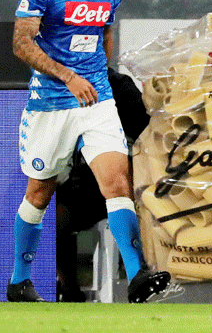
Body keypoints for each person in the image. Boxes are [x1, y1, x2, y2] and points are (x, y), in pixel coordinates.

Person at [7, 0, 170, 303]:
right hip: (51, 103)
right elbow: (21, 43)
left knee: (117, 183)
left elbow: (104, 34)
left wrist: (100, 74)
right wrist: (68, 75)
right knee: (39, 193)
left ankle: (136, 276)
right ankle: (19, 280)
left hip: (95, 101)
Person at [56, 68, 151, 302]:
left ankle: (141, 275)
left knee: (130, 195)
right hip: (81, 186)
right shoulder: (53, 86)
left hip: (123, 179)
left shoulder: (118, 85)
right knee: (52, 214)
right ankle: (68, 290)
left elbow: (145, 132)